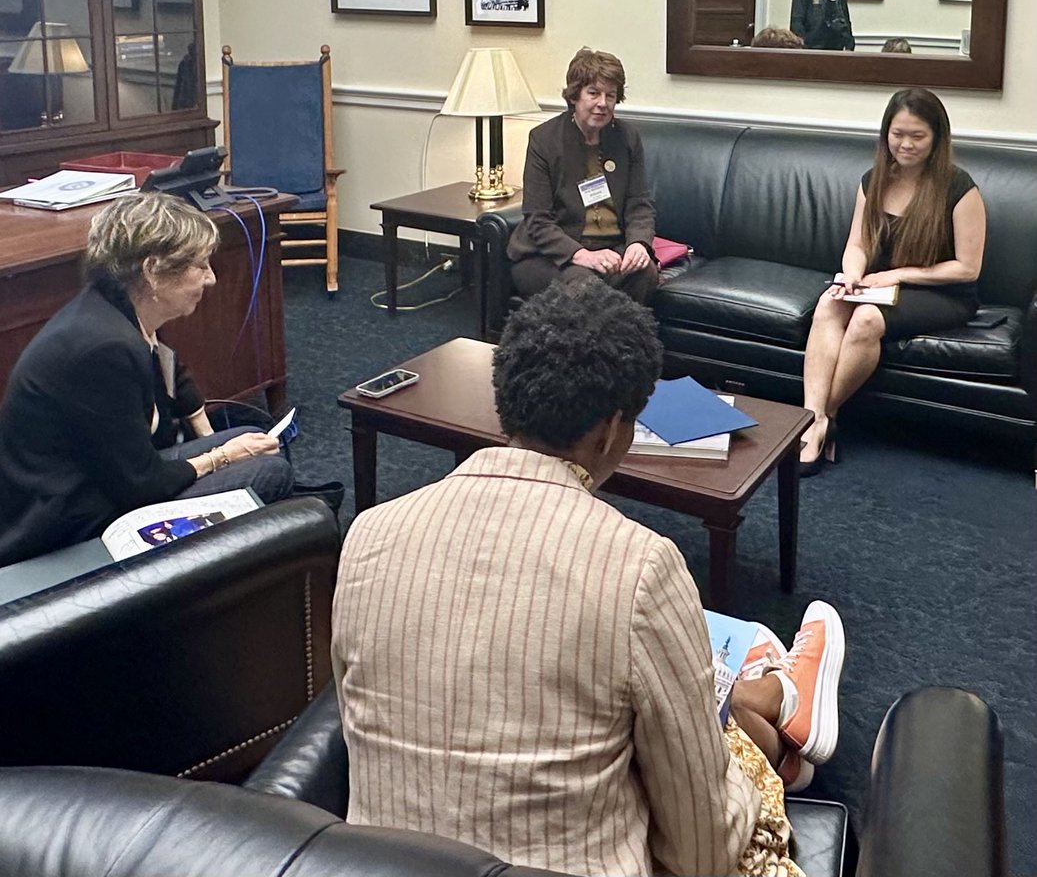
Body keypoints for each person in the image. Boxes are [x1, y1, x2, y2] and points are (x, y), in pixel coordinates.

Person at [331, 281, 845, 877]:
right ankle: (782, 707)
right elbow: (702, 852)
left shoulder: (367, 535)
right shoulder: (641, 567)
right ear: (610, 431)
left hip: (378, 865)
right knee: (714, 747)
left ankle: (781, 702)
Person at [0, 192, 295, 567]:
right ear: (152, 270)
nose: (211, 279)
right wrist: (219, 457)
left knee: (251, 437)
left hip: (100, 483)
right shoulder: (103, 348)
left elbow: (175, 382)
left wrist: (217, 446)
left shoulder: (113, 311)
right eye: (200, 266)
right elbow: (142, 486)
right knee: (269, 472)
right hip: (69, 524)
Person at [799, 87, 986, 472]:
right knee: (829, 303)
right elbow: (857, 245)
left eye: (918, 135)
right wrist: (852, 276)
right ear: (886, 133)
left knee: (867, 318)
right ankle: (812, 419)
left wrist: (896, 274)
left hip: (944, 294)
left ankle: (823, 419)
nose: (906, 144)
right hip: (881, 285)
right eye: (898, 134)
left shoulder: (959, 187)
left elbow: (968, 268)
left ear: (936, 138)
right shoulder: (874, 180)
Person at [507, 47, 658, 303]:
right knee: (584, 286)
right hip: (551, 254)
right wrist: (581, 254)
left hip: (610, 250)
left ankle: (625, 341)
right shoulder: (544, 140)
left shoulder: (627, 138)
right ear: (575, 95)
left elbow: (639, 205)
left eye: (610, 95)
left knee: (645, 273)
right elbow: (538, 219)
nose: (602, 103)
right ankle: (594, 343)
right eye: (593, 93)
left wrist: (638, 244)